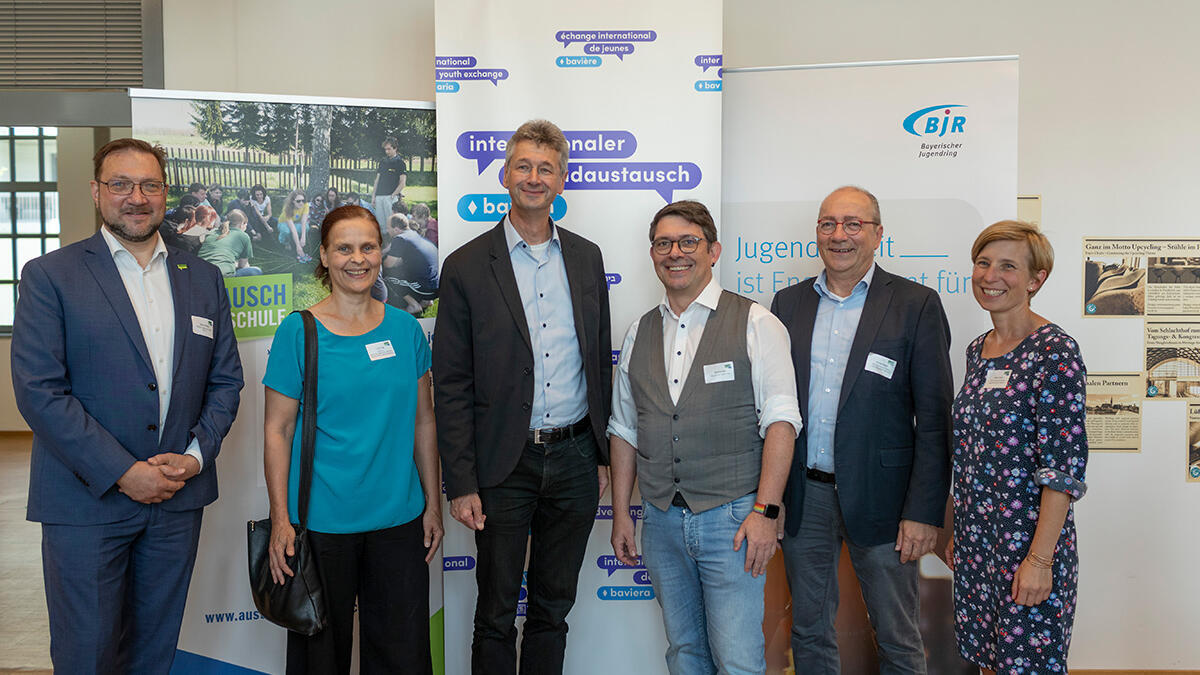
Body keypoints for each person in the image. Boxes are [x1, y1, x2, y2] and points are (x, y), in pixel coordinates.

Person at [10, 138, 243, 674]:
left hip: (176, 499)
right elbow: (40, 392)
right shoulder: (51, 275)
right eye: (120, 184)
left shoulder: (202, 277)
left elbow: (226, 380)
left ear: (166, 193)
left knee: (153, 655)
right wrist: (123, 472)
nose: (136, 197)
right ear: (97, 192)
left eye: (149, 185)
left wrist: (194, 458)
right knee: (87, 656)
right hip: (85, 503)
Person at [434, 119, 612, 675]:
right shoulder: (465, 266)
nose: (534, 178)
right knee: (495, 611)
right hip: (502, 463)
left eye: (546, 169)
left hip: (576, 456)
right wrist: (461, 481)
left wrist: (601, 454)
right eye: (524, 166)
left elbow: (598, 360)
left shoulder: (586, 257)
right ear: (505, 175)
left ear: (562, 180)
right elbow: (452, 382)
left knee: (553, 610)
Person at [608, 200, 802, 674]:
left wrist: (765, 511)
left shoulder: (756, 322)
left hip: (733, 519)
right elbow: (625, 429)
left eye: (688, 242)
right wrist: (621, 514)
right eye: (664, 243)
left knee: (737, 660)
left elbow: (782, 422)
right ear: (652, 254)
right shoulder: (638, 332)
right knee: (685, 652)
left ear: (713, 251)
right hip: (661, 521)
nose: (675, 253)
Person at [770, 185, 954, 673]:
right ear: (817, 232)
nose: (840, 235)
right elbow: (774, 407)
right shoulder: (788, 304)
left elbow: (935, 419)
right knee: (809, 630)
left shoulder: (915, 304)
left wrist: (924, 512)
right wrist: (772, 496)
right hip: (805, 495)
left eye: (853, 224)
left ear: (877, 234)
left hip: (886, 498)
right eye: (828, 224)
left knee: (897, 635)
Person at [263, 204, 442, 674]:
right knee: (320, 660)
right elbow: (278, 430)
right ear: (324, 256)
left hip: (399, 521)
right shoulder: (298, 331)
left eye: (368, 247)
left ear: (381, 252)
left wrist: (433, 506)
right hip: (322, 525)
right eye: (344, 248)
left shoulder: (406, 330)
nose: (357, 259)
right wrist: (281, 519)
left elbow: (424, 421)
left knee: (402, 659)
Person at [944, 220, 1088, 674]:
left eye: (1008, 266)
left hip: (1027, 546)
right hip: (977, 544)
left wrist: (1040, 560)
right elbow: (971, 453)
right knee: (988, 663)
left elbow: (1062, 470)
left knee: (1029, 665)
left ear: (1035, 279)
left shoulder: (1054, 351)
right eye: (983, 263)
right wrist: (960, 530)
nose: (990, 276)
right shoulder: (978, 350)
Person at [383, 213, 439, 315]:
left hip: (425, 288)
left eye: (388, 228)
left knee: (386, 274)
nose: (387, 230)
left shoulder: (400, 238)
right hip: (436, 286)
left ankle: (413, 306)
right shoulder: (413, 235)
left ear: (396, 229)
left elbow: (389, 264)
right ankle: (426, 301)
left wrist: (379, 261)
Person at [198, 209, 262, 276]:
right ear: (242, 224)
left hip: (199, 274)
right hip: (222, 276)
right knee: (256, 271)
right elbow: (243, 265)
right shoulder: (244, 236)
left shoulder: (212, 232)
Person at [372, 135, 407, 235]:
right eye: (385, 149)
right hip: (379, 197)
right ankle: (383, 243)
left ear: (395, 148)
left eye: (389, 149)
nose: (387, 152)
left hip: (390, 197)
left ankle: (393, 242)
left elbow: (402, 183)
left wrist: (393, 195)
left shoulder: (400, 163)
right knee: (381, 225)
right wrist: (374, 196)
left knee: (392, 224)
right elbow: (377, 180)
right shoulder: (382, 162)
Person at [278, 189, 310, 263]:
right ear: (293, 201)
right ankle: (285, 242)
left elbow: (304, 221)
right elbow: (293, 228)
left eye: (303, 200)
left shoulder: (306, 205)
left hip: (296, 222)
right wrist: (298, 246)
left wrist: (303, 237)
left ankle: (295, 241)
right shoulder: (287, 208)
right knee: (286, 231)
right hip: (283, 222)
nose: (301, 203)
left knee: (306, 227)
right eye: (298, 201)